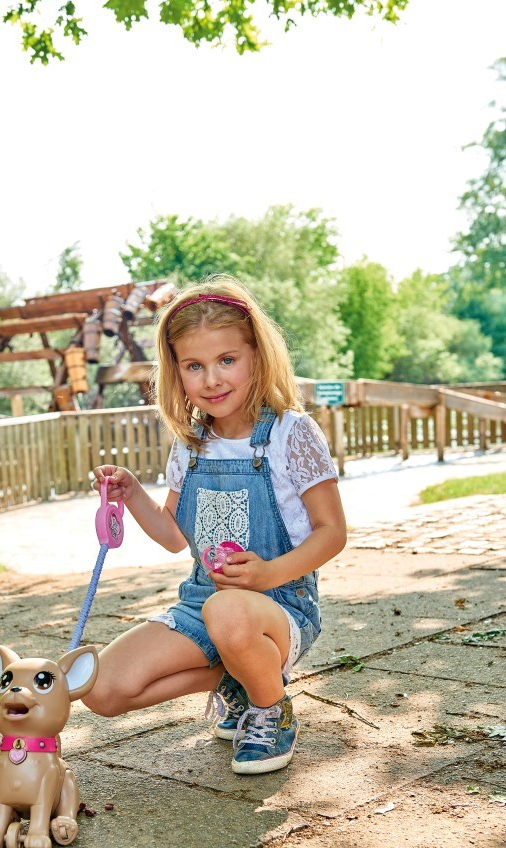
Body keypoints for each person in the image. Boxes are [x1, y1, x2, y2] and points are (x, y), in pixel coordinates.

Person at [83, 275, 346, 774]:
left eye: (227, 360)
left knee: (228, 612)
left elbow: (332, 531)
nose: (211, 380)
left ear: (257, 357)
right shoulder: (191, 445)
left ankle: (270, 707)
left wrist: (269, 573)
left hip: (278, 608)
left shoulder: (291, 433)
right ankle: (239, 676)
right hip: (201, 605)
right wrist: (132, 493)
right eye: (194, 366)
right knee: (101, 688)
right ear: (176, 372)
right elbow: (173, 536)